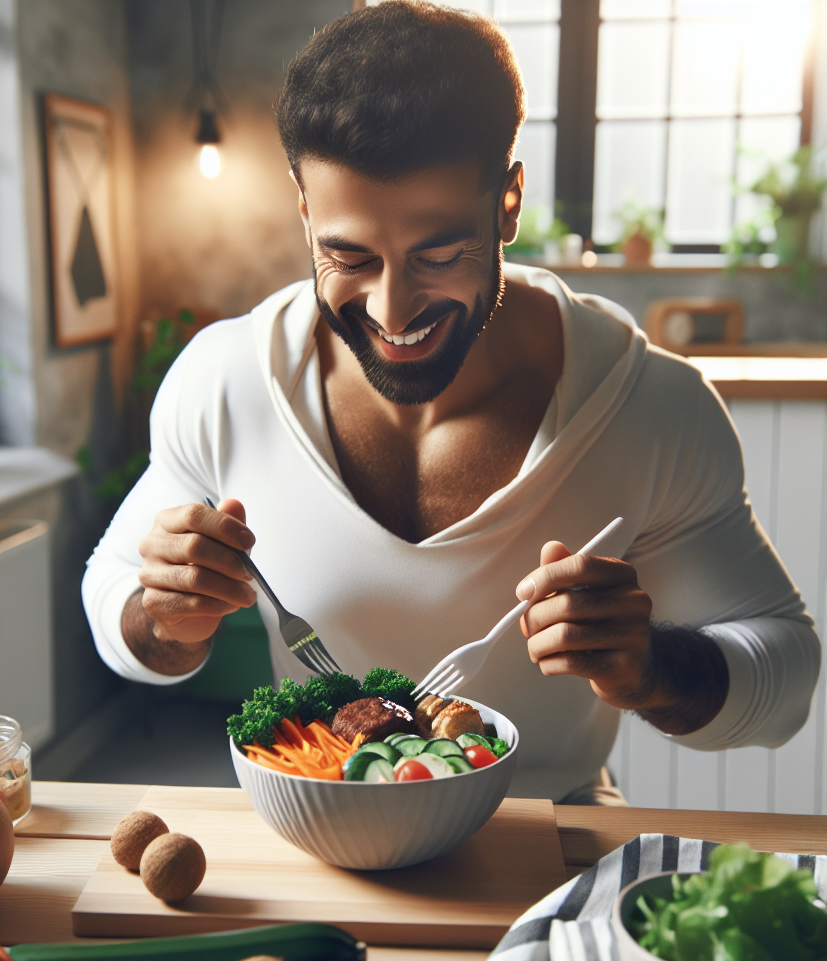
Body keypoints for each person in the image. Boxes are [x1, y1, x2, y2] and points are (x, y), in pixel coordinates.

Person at [83, 1, 819, 804]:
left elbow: (785, 681)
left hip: (553, 851)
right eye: (348, 254)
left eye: (437, 253)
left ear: (507, 203)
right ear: (304, 213)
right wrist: (163, 619)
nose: (394, 312)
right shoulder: (226, 378)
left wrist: (648, 666)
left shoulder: (652, 406)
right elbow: (111, 591)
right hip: (323, 833)